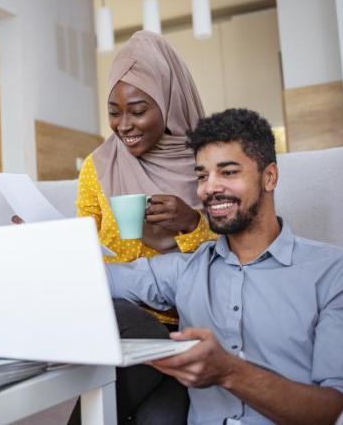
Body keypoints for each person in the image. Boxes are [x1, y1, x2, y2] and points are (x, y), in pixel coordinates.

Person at [106, 108, 343, 425]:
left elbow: (331, 410)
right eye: (202, 175)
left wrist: (229, 371)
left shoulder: (332, 271)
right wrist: (42, 243)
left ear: (269, 177)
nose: (209, 189)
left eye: (228, 172)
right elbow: (95, 279)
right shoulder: (186, 270)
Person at [74, 30, 216, 424]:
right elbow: (84, 246)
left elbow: (238, 253)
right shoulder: (98, 166)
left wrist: (191, 223)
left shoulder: (208, 164)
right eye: (114, 111)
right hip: (115, 315)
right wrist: (47, 241)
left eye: (138, 110)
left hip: (183, 322)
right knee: (127, 320)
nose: (124, 125)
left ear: (168, 104)